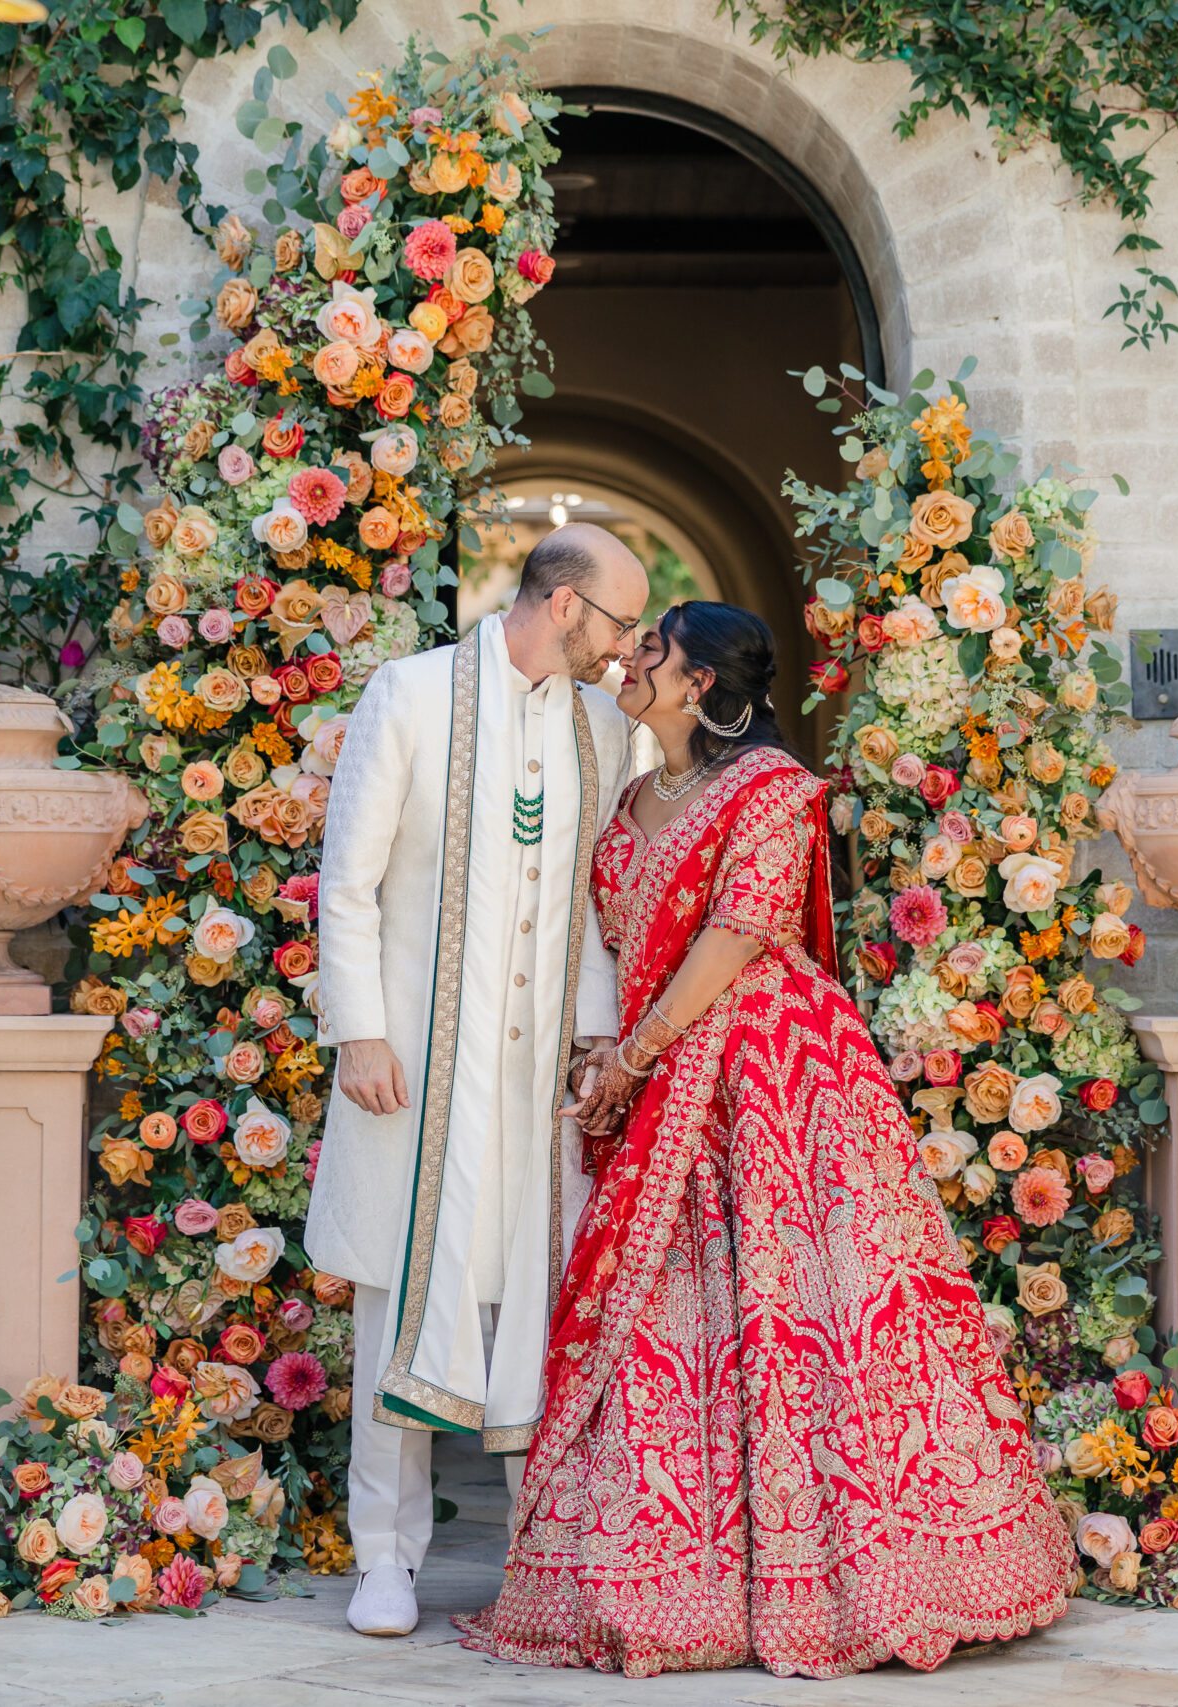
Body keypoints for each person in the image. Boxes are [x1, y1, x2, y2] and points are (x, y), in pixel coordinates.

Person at [457, 602, 1073, 1679]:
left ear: (698, 682)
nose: (627, 659)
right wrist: (604, 1056)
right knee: (668, 1318)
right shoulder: (631, 798)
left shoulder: (772, 790)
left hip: (772, 1076)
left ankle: (865, 1574)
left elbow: (741, 932)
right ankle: (664, 1576)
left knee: (805, 1312)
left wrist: (636, 1052)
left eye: (650, 649)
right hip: (662, 1076)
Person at [310, 523, 648, 1638]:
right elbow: (347, 880)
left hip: (540, 1076)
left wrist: (596, 1040)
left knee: (537, 1302)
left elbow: (601, 903)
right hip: (414, 1068)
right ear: (564, 604)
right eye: (620, 621)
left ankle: (536, 1556)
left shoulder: (607, 728)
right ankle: (385, 1556)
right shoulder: (409, 694)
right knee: (398, 1300)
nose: (626, 645)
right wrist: (360, 1031)